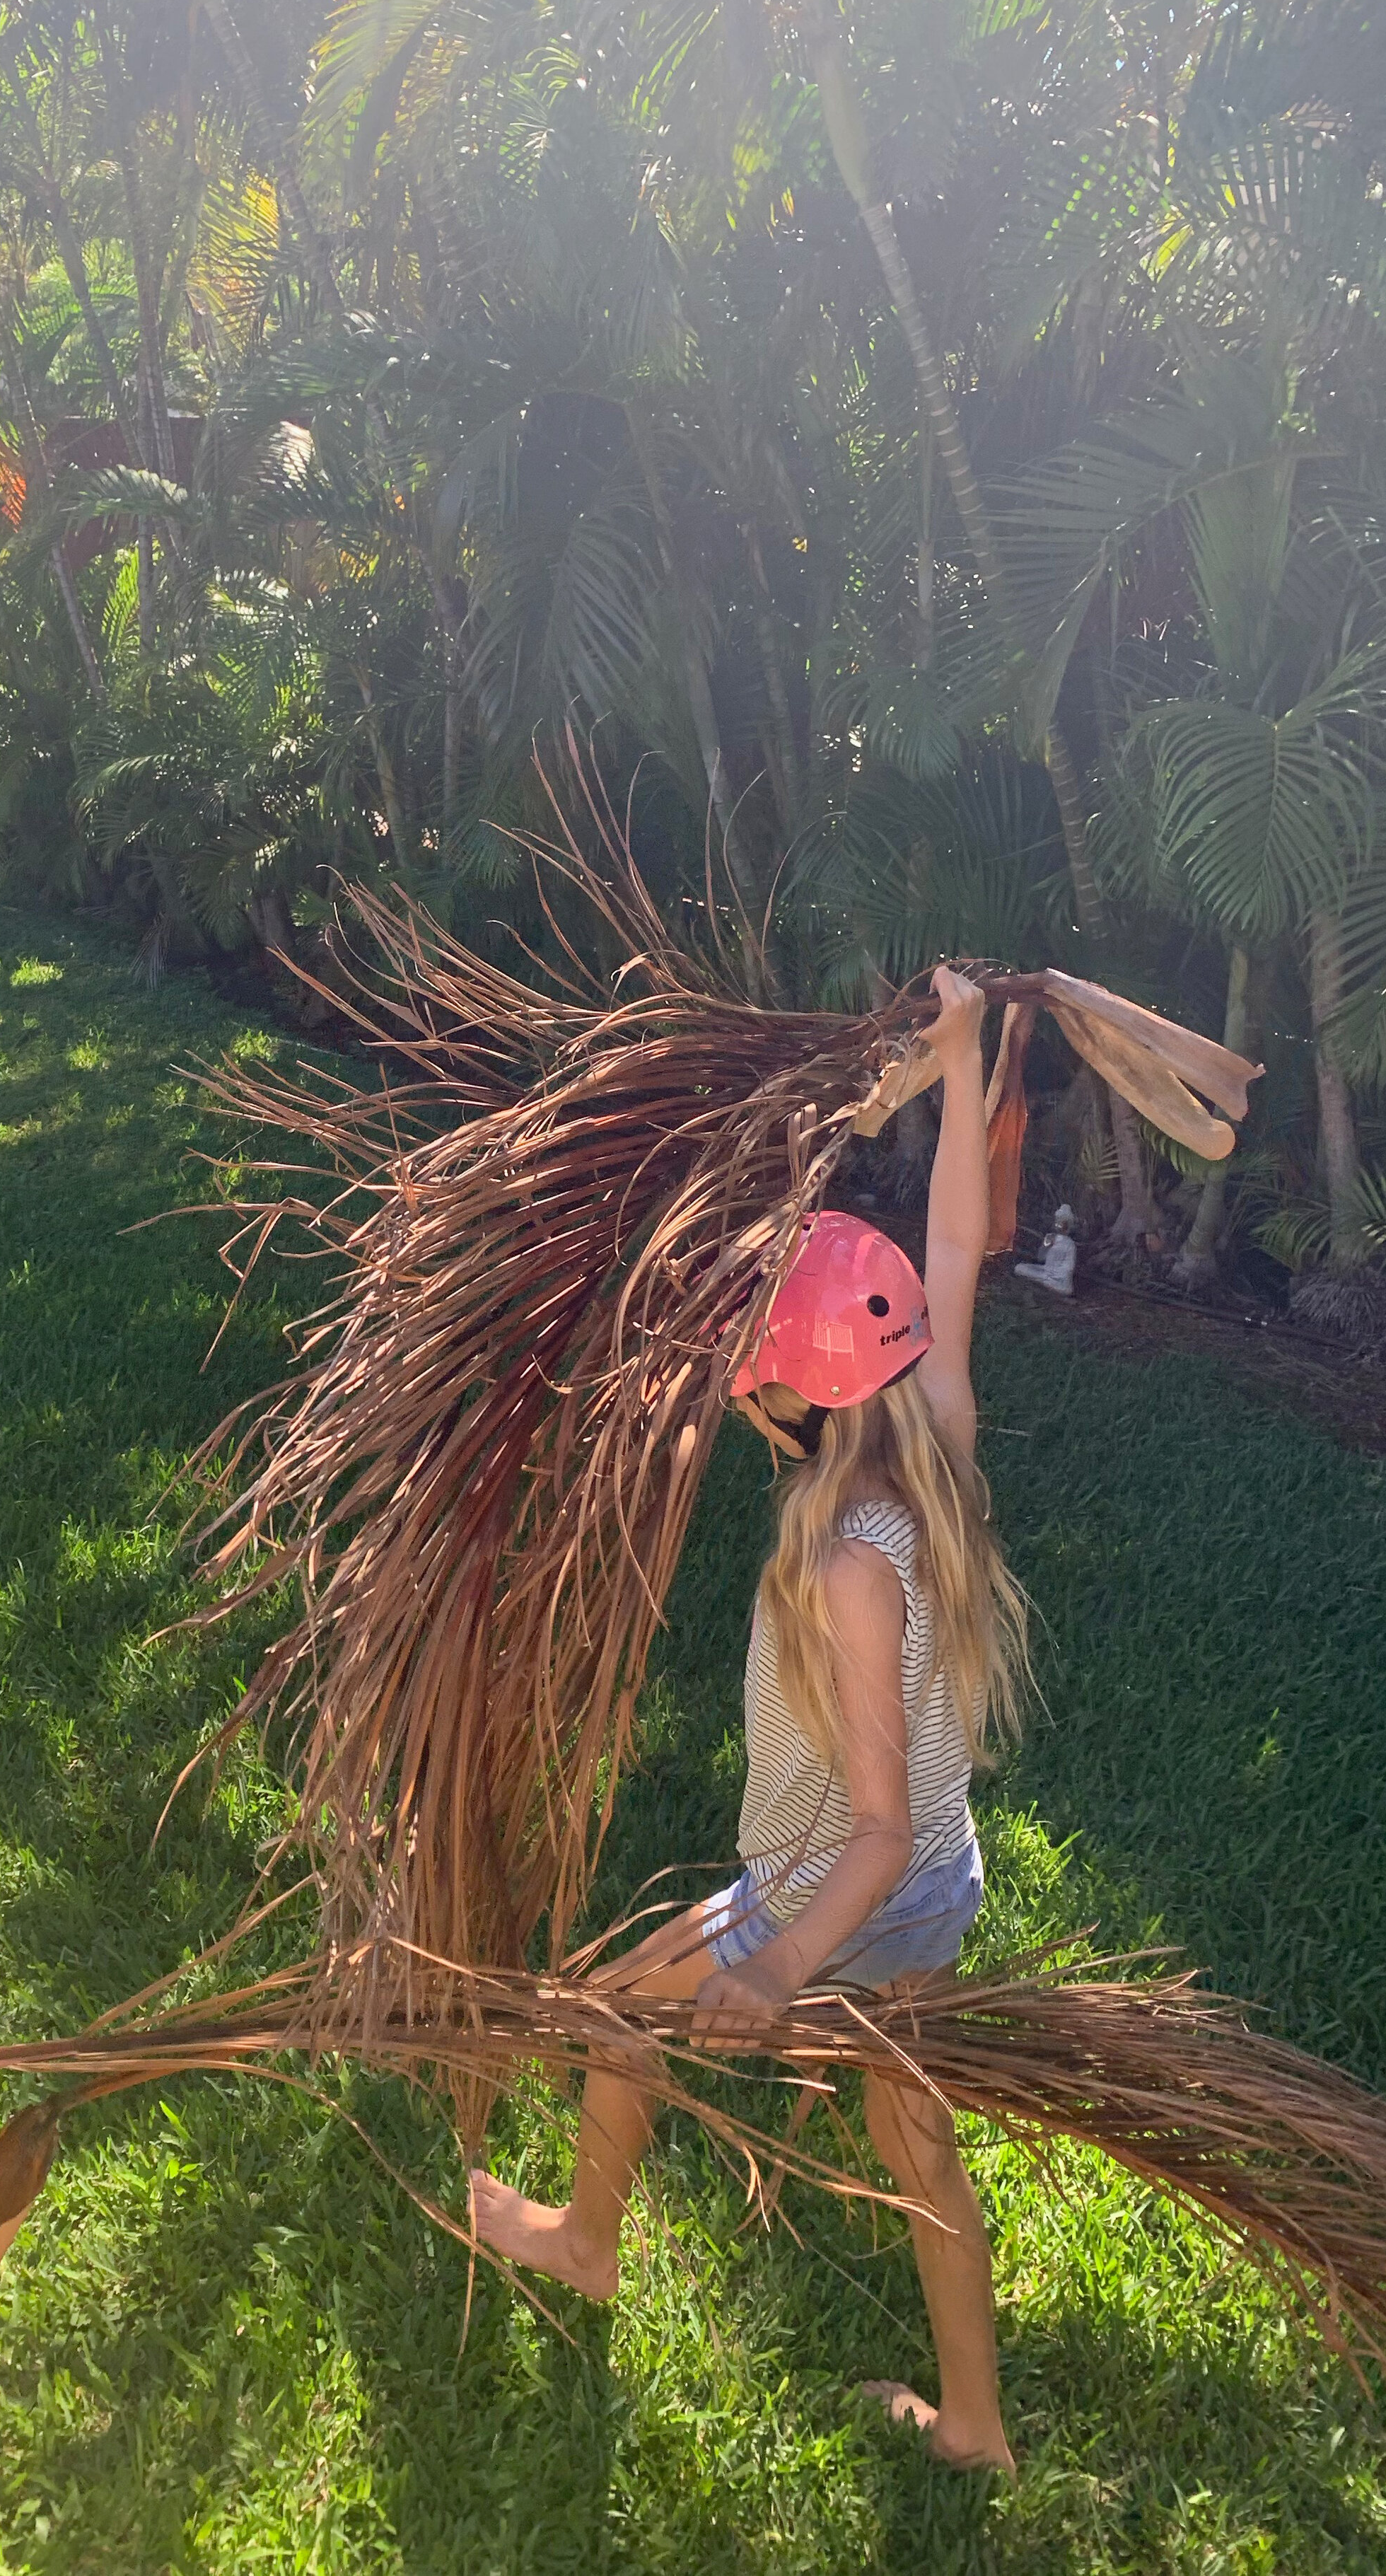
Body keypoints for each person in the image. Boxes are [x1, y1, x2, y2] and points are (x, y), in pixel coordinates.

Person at [471, 965, 1027, 2473]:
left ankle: (587, 2242)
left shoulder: (848, 1564)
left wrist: (778, 1960)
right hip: (926, 1891)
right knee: (916, 2155)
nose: (731, 1390)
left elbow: (870, 1819)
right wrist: (964, 1049)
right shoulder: (936, 1438)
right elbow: (960, 1243)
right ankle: (971, 2428)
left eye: (747, 1370)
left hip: (845, 1889)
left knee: (612, 2005)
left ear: (791, 1394)